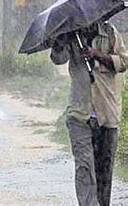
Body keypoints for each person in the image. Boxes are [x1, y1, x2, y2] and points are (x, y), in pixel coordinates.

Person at [50, 21, 128, 206]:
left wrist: (97, 55)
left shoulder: (110, 32)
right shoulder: (71, 35)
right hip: (80, 114)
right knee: (84, 167)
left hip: (107, 113)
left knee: (104, 170)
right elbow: (58, 58)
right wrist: (59, 42)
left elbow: (124, 62)